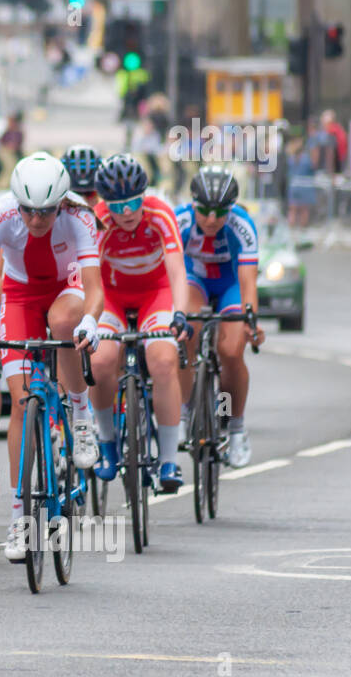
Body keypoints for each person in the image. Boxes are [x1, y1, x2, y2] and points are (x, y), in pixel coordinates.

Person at [0, 153, 103, 560]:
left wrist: (92, 321)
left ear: (61, 203)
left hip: (67, 286)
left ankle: (80, 414)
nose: (36, 220)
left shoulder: (79, 217)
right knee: (24, 403)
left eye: (45, 212)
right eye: (28, 210)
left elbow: (94, 288)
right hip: (21, 296)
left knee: (65, 324)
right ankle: (18, 520)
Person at [89, 153, 191, 493]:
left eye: (133, 202)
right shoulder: (99, 221)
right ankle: (106, 443)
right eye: (117, 205)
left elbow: (177, 271)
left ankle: (168, 459)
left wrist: (180, 314)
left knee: (163, 360)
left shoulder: (161, 213)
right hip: (111, 295)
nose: (127, 212)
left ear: (143, 196)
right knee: (101, 360)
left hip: (155, 292)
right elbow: (89, 280)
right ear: (106, 204)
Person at [175, 166, 264, 467]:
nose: (211, 219)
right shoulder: (180, 220)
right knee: (188, 330)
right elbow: (169, 274)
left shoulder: (243, 225)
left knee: (230, 351)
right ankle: (186, 412)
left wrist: (251, 320)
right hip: (194, 280)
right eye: (204, 210)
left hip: (230, 285)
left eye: (219, 212)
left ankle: (235, 427)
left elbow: (248, 281)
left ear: (231, 209)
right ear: (193, 204)